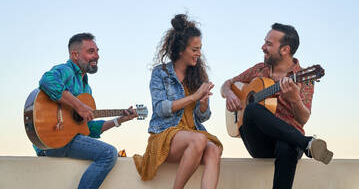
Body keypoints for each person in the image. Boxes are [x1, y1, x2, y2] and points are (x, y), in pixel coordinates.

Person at [221, 23, 333, 189]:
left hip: (289, 140)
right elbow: (227, 84)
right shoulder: (258, 70)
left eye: (269, 44)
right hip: (258, 141)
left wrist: (294, 98)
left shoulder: (302, 77)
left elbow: (303, 118)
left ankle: (302, 143)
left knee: (286, 146)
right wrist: (229, 94)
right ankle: (307, 143)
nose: (263, 47)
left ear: (285, 50)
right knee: (251, 109)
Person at [34, 33, 138, 189]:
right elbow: (47, 81)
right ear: (75, 55)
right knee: (108, 153)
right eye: (91, 51)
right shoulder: (65, 70)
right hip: (53, 140)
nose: (97, 56)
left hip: (68, 140)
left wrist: (119, 120)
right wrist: (78, 105)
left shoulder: (86, 88)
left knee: (106, 151)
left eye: (97, 51)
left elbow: (88, 129)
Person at [133, 14, 223, 189]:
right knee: (198, 140)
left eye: (200, 49)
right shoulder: (161, 73)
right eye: (195, 49)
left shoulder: (198, 76)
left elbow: (202, 117)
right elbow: (160, 108)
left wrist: (203, 104)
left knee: (213, 149)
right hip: (165, 134)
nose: (199, 54)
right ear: (181, 51)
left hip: (191, 134)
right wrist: (193, 97)